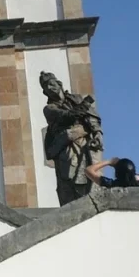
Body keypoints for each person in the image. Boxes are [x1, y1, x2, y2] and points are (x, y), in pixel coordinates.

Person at [39, 71, 104, 206]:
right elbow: (67, 116)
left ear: (59, 84)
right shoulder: (49, 108)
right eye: (46, 88)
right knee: (70, 176)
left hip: (85, 144)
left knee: (90, 175)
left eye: (51, 84)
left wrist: (97, 133)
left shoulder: (76, 99)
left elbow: (91, 117)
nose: (50, 88)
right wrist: (85, 105)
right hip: (66, 147)